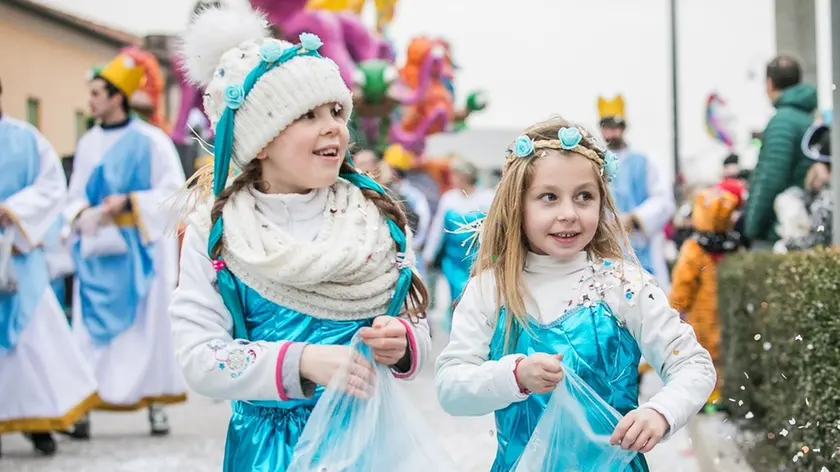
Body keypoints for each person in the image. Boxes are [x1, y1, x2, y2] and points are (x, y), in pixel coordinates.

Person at [169, 5, 431, 471]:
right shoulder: (218, 233)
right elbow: (199, 357)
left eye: (336, 110)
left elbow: (416, 322)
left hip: (366, 443)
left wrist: (405, 341)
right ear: (261, 138)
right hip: (268, 452)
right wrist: (303, 361)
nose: (333, 125)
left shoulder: (377, 219)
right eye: (307, 115)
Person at [436, 117, 715, 471]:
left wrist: (661, 412)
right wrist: (514, 376)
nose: (568, 214)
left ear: (602, 202)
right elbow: (450, 387)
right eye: (548, 197)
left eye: (584, 197)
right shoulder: (492, 290)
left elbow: (693, 365)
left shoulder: (625, 285)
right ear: (517, 204)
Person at [64, 51, 188, 438]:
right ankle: (83, 408)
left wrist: (130, 201)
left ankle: (154, 406)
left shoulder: (152, 141)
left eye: (98, 93)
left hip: (140, 252)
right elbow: (72, 196)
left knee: (147, 331)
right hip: (98, 251)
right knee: (88, 334)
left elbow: (174, 194)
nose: (91, 101)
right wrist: (86, 212)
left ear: (117, 96)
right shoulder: (87, 143)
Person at [0, 77, 98, 456]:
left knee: (33, 342)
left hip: (20, 258)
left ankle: (39, 421)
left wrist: (13, 210)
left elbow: (51, 187)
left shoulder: (26, 139)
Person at [669, 179, 745, 412]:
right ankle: (716, 395)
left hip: (701, 315)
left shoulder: (694, 247)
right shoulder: (731, 245)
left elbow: (683, 281)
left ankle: (708, 396)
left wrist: (676, 308)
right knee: (717, 354)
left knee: (704, 356)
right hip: (718, 313)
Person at [598, 95, 675, 289]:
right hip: (606, 245)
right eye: (607, 127)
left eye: (615, 126)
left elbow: (663, 201)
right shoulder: (595, 163)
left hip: (643, 248)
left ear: (623, 128)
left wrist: (635, 219)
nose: (611, 132)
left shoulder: (644, 161)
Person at [744, 56, 818, 248]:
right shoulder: (809, 117)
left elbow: (771, 178)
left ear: (769, 83)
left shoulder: (782, 122)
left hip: (779, 230)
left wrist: (752, 226)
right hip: (804, 222)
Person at [422, 158, 494, 318]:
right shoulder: (449, 198)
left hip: (478, 257)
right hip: (453, 258)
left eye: (454, 175)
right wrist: (429, 254)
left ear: (464, 176)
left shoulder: (487, 198)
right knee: (456, 295)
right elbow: (438, 229)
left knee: (478, 295)